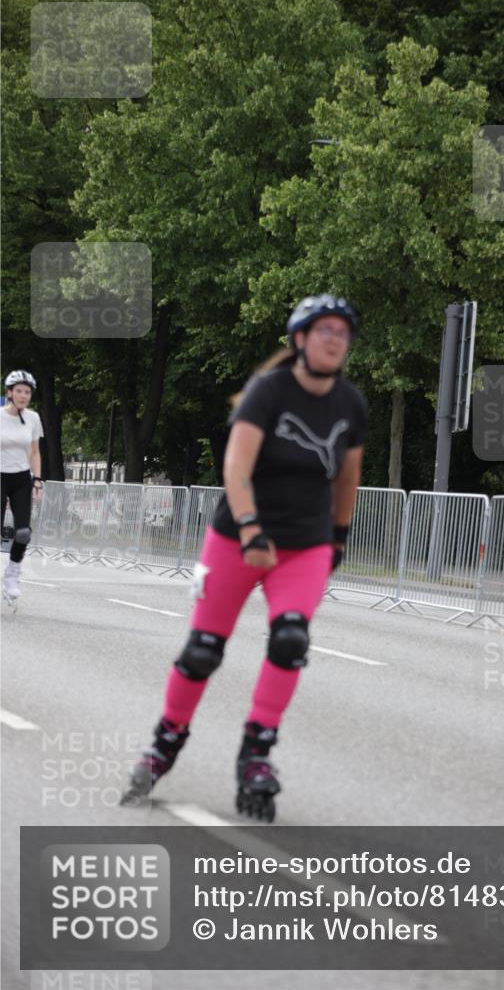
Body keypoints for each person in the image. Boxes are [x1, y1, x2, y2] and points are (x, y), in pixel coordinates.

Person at [122, 295, 368, 820]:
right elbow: (236, 466)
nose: (334, 339)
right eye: (324, 329)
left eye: (342, 333)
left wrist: (340, 537)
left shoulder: (350, 403)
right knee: (204, 650)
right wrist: (253, 528)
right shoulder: (268, 392)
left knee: (290, 639)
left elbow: (347, 477)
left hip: (304, 544)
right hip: (237, 537)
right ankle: (165, 740)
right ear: (300, 338)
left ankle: (256, 753)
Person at [1, 371, 44, 608]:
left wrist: (37, 480)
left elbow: (35, 451)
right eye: (18, 391)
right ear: (9, 392)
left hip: (20, 479)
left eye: (27, 392)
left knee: (23, 532)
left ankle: (12, 574)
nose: (23, 395)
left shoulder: (33, 418)